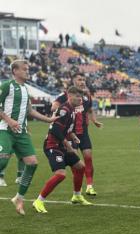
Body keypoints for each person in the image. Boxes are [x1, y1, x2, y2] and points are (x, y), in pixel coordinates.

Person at [0, 60, 57, 215]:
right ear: (15, 71)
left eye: (28, 69)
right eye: (24, 69)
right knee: (2, 160)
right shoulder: (7, 86)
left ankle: (19, 198)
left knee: (32, 163)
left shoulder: (25, 89)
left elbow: (30, 111)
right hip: (5, 130)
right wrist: (9, 120)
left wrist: (48, 119)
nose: (27, 71)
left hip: (22, 133)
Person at [33, 87, 91, 213]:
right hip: (52, 146)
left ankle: (76, 195)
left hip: (61, 145)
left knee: (80, 167)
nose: (80, 99)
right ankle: (39, 201)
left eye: (81, 97)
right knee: (61, 174)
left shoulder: (72, 110)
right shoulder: (64, 110)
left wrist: (73, 137)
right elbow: (54, 130)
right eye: (77, 96)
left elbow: (67, 129)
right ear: (69, 96)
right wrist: (68, 145)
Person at [51, 72, 103, 196]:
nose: (82, 81)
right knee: (76, 161)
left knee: (88, 157)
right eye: (79, 79)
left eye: (84, 79)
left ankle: (90, 186)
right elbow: (54, 107)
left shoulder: (86, 96)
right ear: (74, 80)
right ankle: (77, 190)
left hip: (83, 132)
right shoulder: (65, 95)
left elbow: (90, 110)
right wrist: (62, 112)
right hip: (70, 133)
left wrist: (94, 120)